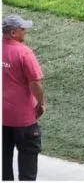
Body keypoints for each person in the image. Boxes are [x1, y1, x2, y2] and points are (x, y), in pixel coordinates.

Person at [2, 15, 45, 182]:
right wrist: (41, 103)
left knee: (3, 165)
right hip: (24, 120)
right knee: (27, 166)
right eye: (22, 29)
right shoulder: (24, 52)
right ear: (13, 32)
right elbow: (35, 83)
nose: (25, 31)